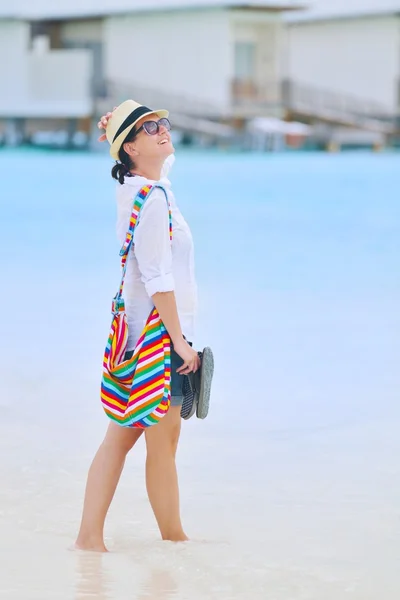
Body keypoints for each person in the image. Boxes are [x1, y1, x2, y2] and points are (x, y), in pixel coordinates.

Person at [75, 100, 200, 552]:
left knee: (130, 439)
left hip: (140, 336)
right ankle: (174, 541)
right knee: (158, 442)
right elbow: (157, 276)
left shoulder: (140, 187)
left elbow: (161, 164)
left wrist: (123, 130)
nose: (163, 131)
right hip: (156, 339)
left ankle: (92, 540)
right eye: (149, 129)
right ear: (130, 147)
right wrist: (181, 343)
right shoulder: (154, 198)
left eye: (164, 122)